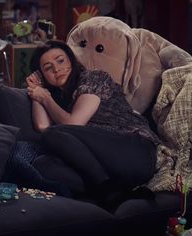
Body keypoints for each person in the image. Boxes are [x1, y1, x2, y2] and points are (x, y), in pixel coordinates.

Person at [25, 39, 160, 209]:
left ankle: (106, 191)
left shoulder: (93, 77)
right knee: (43, 165)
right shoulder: (59, 101)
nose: (56, 69)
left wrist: (45, 97)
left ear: (71, 60)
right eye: (48, 68)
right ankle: (113, 191)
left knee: (54, 133)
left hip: (135, 151)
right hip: (109, 165)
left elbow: (73, 124)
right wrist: (37, 91)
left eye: (60, 61)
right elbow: (42, 126)